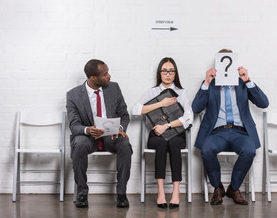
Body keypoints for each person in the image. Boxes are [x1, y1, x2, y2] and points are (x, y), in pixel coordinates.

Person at [192, 49, 269, 205]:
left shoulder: (243, 83)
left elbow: (263, 103)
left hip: (240, 132)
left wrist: (248, 80)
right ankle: (218, 187)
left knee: (249, 150)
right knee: (206, 150)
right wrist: (206, 82)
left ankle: (233, 188)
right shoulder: (210, 84)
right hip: (216, 132)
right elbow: (195, 108)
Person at [66, 59, 132, 208]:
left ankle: (121, 193)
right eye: (105, 74)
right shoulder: (73, 95)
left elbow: (124, 114)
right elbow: (74, 125)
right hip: (89, 138)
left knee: (125, 144)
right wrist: (87, 130)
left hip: (111, 136)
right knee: (79, 144)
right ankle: (82, 193)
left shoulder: (114, 88)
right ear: (93, 78)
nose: (109, 76)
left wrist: (120, 128)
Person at [132, 57, 193, 209]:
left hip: (176, 132)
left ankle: (176, 192)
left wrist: (166, 126)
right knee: (160, 143)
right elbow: (135, 110)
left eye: (171, 71)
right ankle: (160, 192)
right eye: (164, 71)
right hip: (156, 134)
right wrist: (161, 103)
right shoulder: (152, 92)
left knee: (173, 144)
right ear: (160, 73)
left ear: (175, 73)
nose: (168, 74)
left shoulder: (181, 92)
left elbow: (189, 118)